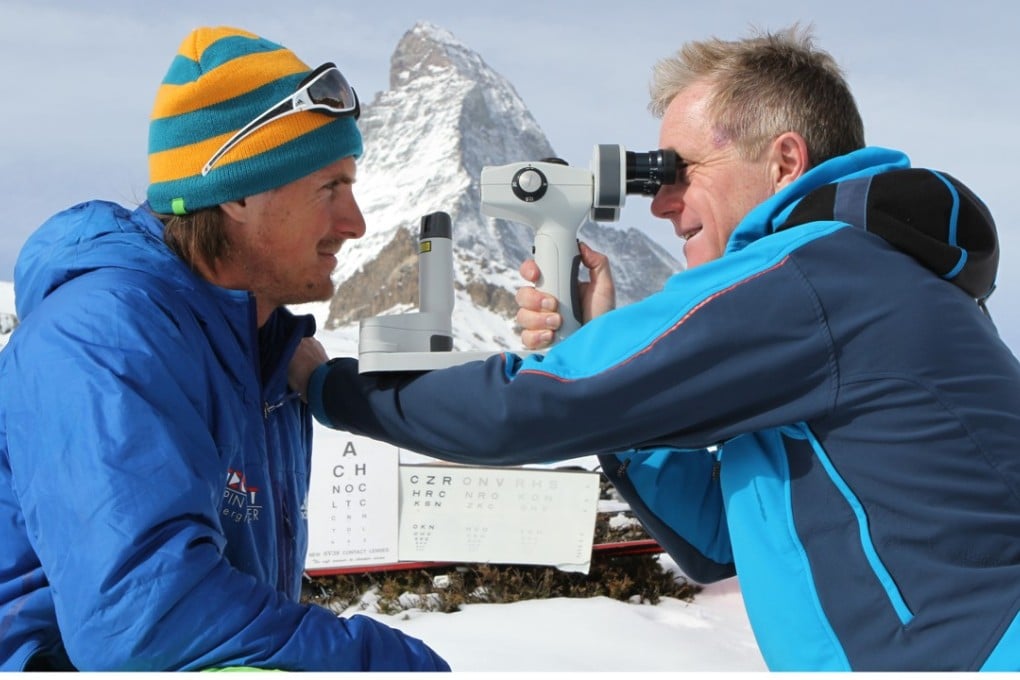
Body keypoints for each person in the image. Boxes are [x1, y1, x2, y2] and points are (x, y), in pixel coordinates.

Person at [289, 25, 1020, 671]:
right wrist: (604, 378)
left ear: (785, 162)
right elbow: (720, 541)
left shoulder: (819, 275)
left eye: (678, 171)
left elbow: (532, 408)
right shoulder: (858, 284)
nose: (661, 202)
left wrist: (331, 388)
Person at [0, 26, 449, 672]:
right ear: (237, 193)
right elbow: (148, 623)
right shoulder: (104, 337)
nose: (356, 223)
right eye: (331, 188)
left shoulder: (261, 357)